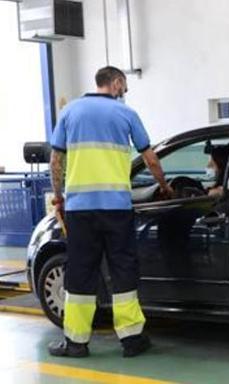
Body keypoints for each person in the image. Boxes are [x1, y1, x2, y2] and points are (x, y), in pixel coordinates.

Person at [47, 66, 173, 358]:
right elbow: (150, 159)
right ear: (116, 83)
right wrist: (164, 186)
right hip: (117, 209)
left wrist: (58, 197)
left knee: (80, 273)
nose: (123, 94)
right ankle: (132, 340)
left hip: (80, 211)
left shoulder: (70, 112)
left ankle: (76, 342)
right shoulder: (126, 114)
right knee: (123, 270)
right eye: (124, 88)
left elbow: (56, 160)